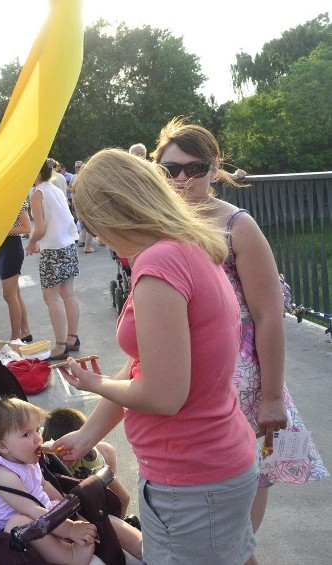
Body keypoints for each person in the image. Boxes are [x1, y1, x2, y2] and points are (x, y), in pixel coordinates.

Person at [54, 148, 259, 564]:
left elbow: (164, 394)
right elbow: (147, 363)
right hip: (217, 464)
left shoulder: (159, 264)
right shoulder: (188, 246)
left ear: (107, 214)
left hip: (190, 477)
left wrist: (94, 384)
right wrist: (87, 435)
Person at [152, 119, 328, 537]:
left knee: (251, 468)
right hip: (185, 370)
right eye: (169, 169)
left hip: (240, 374)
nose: (181, 179)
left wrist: (271, 397)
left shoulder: (237, 226)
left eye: (194, 169)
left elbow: (268, 316)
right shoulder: (158, 221)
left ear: (214, 171)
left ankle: (240, 548)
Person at [0, 397, 142, 565]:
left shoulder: (27, 460)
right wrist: (70, 528)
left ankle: (140, 545)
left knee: (91, 512)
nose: (38, 438)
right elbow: (31, 510)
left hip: (43, 514)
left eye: (37, 429)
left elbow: (44, 485)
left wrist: (69, 509)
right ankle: (68, 555)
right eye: (26, 434)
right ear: (3, 446)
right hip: (19, 532)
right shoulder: (1, 474)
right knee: (20, 523)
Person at [25, 160, 81, 360]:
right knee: (68, 294)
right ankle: (72, 338)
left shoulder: (36, 193)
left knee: (51, 298)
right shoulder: (55, 189)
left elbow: (39, 228)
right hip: (68, 245)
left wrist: (31, 243)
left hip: (53, 250)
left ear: (37, 174)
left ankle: (60, 345)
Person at [42, 407, 130, 518]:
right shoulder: (41, 446)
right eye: (60, 454)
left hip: (87, 469)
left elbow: (122, 497)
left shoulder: (90, 457)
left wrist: (116, 525)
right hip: (60, 483)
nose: (66, 457)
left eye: (70, 451)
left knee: (107, 451)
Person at [0, 201, 32, 342]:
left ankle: (15, 338)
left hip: (10, 248)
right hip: (1, 249)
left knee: (10, 295)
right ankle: (25, 332)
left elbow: (27, 227)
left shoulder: (16, 199)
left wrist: (2, 229)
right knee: (14, 294)